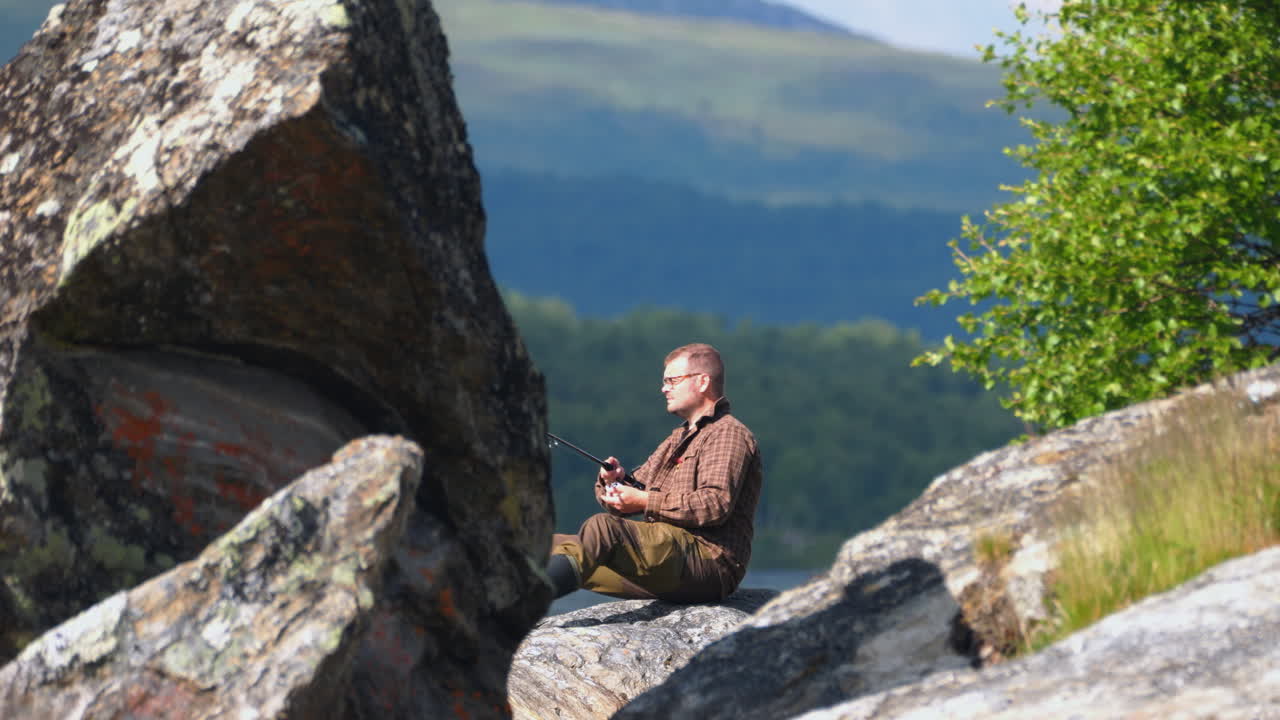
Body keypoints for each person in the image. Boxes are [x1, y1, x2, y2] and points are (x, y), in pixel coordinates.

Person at [546, 343, 763, 603]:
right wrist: (612, 482)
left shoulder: (728, 434)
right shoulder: (676, 440)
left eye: (672, 380)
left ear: (703, 381)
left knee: (602, 528)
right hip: (665, 562)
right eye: (665, 382)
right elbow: (634, 492)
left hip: (708, 565)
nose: (664, 388)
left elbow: (715, 505)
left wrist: (644, 501)